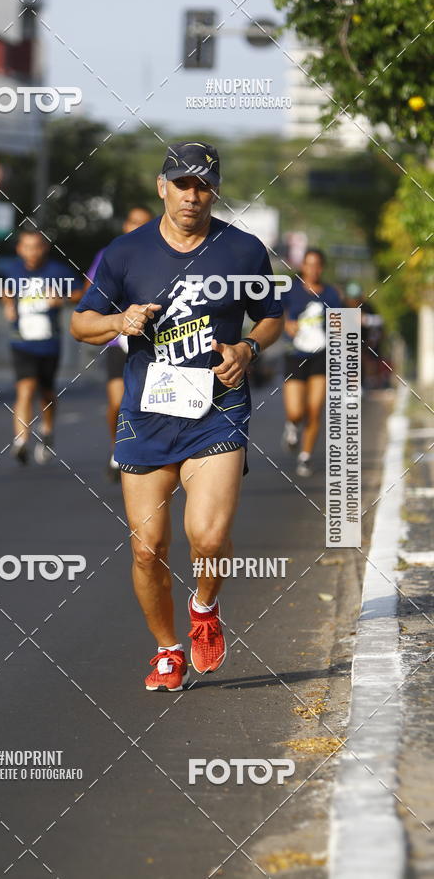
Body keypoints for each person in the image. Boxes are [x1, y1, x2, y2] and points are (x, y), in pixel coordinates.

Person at [71, 141, 284, 691]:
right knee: (148, 549)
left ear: (215, 192)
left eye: (203, 186)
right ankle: (167, 650)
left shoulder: (242, 251)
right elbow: (81, 323)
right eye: (183, 184)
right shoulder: (125, 253)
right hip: (147, 413)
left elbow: (271, 318)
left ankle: (205, 608)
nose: (193, 195)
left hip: (217, 408)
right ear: (162, 186)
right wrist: (118, 321)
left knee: (207, 539)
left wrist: (248, 349)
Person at [88, 206, 154, 481]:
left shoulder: (161, 255)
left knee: (147, 402)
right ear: (125, 225)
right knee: (116, 401)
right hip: (119, 340)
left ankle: (145, 452)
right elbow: (91, 292)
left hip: (153, 341)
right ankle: (117, 449)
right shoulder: (110, 254)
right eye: (133, 222)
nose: (138, 228)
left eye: (144, 223)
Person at [1, 228, 73, 465]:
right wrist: (8, 304)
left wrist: (61, 299)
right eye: (27, 247)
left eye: (37, 247)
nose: (32, 252)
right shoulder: (13, 270)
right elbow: (6, 290)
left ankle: (48, 431)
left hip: (49, 343)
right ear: (20, 249)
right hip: (21, 340)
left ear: (45, 248)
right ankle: (21, 440)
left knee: (46, 393)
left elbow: (80, 293)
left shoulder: (58, 271)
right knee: (25, 388)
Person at [280, 249, 342, 477]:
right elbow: (275, 314)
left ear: (322, 268)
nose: (313, 269)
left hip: (321, 355)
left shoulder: (331, 294)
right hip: (295, 354)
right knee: (296, 411)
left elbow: (340, 324)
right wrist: (286, 324)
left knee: (314, 409)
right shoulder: (291, 290)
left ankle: (305, 457)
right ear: (303, 267)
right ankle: (292, 426)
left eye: (317, 265)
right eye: (309, 264)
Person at [343, 281, 385, 389]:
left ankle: (363, 384)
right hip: (345, 343)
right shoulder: (341, 306)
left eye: (356, 299)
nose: (353, 302)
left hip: (364, 343)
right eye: (351, 299)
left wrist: (365, 320)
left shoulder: (367, 307)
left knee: (365, 359)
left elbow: (380, 321)